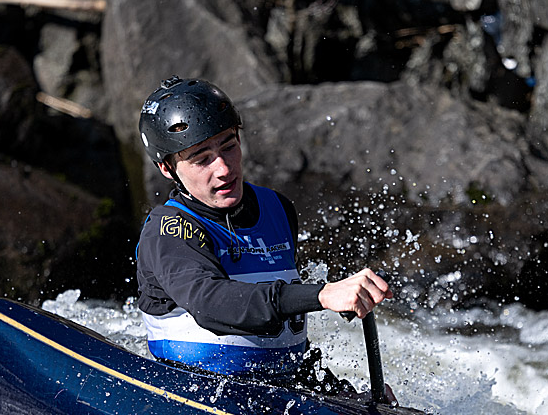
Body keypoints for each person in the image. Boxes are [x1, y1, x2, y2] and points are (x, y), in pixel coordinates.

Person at [135, 75, 392, 389]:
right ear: (167, 168)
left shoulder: (277, 208)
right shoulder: (168, 231)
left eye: (229, 146)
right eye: (202, 160)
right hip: (199, 392)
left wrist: (337, 393)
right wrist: (322, 294)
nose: (224, 169)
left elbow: (283, 335)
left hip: (280, 389)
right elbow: (212, 304)